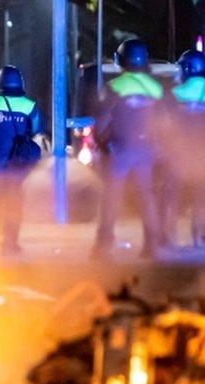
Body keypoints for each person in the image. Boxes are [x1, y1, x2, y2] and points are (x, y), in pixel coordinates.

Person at [93, 39, 163, 258]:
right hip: (146, 150)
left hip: (120, 149)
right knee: (147, 196)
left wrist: (103, 144)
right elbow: (166, 123)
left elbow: (102, 122)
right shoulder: (155, 88)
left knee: (111, 196)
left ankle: (103, 247)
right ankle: (151, 246)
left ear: (120, 60)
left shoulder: (114, 87)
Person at [0, 65, 43, 254]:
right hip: (19, 165)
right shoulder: (30, 106)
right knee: (14, 203)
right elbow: (36, 132)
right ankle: (11, 242)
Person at [168, 49, 205, 247]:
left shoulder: (175, 93)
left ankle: (170, 237)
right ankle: (200, 237)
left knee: (171, 195)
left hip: (178, 154)